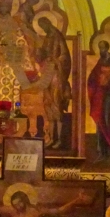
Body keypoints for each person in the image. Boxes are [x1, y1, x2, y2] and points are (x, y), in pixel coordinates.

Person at [35, 16, 71, 148]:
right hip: (47, 73)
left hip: (56, 73)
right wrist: (39, 53)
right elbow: (43, 54)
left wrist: (55, 60)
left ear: (48, 23)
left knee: (56, 104)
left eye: (44, 25)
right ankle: (51, 138)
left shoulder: (57, 36)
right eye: (41, 26)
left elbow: (65, 56)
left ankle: (59, 139)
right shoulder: (47, 38)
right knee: (48, 103)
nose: (43, 28)